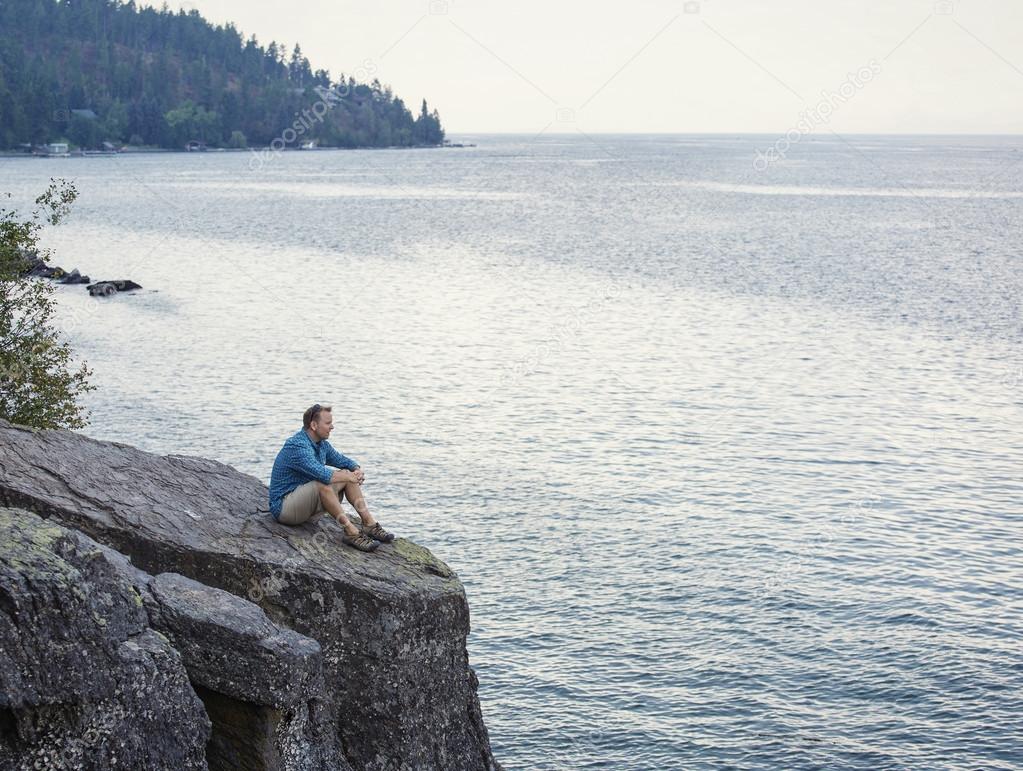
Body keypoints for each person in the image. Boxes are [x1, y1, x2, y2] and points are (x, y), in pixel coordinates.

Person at [268, 403, 394, 552]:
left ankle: (369, 524)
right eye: (328, 423)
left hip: (304, 507)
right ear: (314, 425)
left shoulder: (321, 444)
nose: (332, 427)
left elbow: (342, 461)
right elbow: (323, 474)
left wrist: (356, 469)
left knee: (347, 474)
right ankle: (351, 533)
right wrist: (349, 476)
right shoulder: (297, 446)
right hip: (284, 509)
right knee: (328, 482)